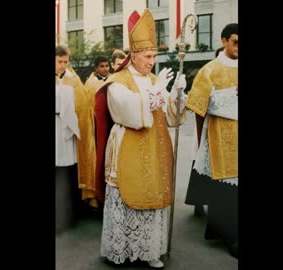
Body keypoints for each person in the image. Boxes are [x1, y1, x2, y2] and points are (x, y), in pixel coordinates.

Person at [95, 9, 187, 269]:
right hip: (128, 146)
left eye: (154, 56)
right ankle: (121, 250)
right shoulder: (117, 80)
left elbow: (170, 116)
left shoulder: (155, 79)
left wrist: (177, 96)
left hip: (154, 146)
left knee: (152, 195)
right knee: (128, 196)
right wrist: (155, 94)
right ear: (133, 56)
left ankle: (150, 250)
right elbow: (126, 112)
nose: (151, 61)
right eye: (147, 56)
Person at [184, 23, 239, 258]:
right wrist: (230, 94)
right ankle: (231, 236)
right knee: (226, 189)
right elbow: (200, 104)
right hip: (221, 136)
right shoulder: (210, 70)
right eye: (236, 42)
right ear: (224, 40)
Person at [55, 45, 97, 234]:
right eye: (59, 62)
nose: (63, 66)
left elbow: (83, 106)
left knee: (67, 170)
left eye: (65, 62)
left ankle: (70, 213)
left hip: (68, 132)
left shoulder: (73, 80)